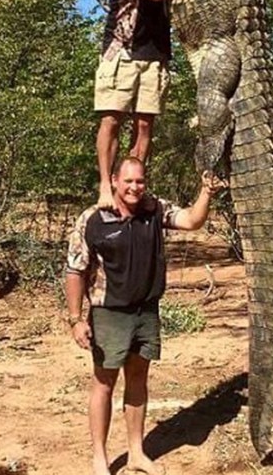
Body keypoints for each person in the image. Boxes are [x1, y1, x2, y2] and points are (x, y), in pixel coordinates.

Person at [66, 157, 225, 475]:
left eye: (140, 181)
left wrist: (206, 191)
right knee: (104, 382)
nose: (135, 187)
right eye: (128, 181)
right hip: (109, 312)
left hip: (146, 311)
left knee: (138, 379)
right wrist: (75, 318)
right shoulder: (94, 218)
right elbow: (75, 270)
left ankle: (137, 453)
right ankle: (100, 457)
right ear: (114, 180)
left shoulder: (154, 208)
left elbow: (192, 221)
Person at [94, 0, 195, 208]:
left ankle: (131, 190)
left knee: (144, 126)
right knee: (112, 119)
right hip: (121, 52)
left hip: (157, 54)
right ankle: (104, 185)